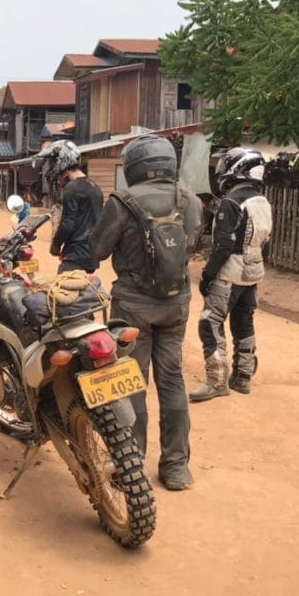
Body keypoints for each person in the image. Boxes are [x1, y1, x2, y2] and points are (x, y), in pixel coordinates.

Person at [93, 136, 203, 491]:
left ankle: (133, 463)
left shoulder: (121, 202)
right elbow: (192, 245)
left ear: (135, 166)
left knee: (131, 381)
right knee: (172, 381)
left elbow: (97, 249)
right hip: (176, 304)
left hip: (132, 307)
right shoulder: (191, 201)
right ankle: (175, 467)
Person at [191, 148, 273, 402]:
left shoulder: (231, 202)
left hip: (230, 272)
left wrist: (207, 275)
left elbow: (223, 245)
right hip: (253, 272)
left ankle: (217, 381)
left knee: (210, 323)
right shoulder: (262, 201)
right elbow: (266, 241)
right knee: (243, 321)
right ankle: (243, 377)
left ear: (236, 169)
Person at [44, 141, 103, 274]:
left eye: (54, 164)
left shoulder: (72, 188)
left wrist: (56, 245)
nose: (58, 180)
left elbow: (67, 224)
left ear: (63, 164)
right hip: (91, 256)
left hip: (76, 255)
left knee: (62, 292)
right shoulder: (95, 187)